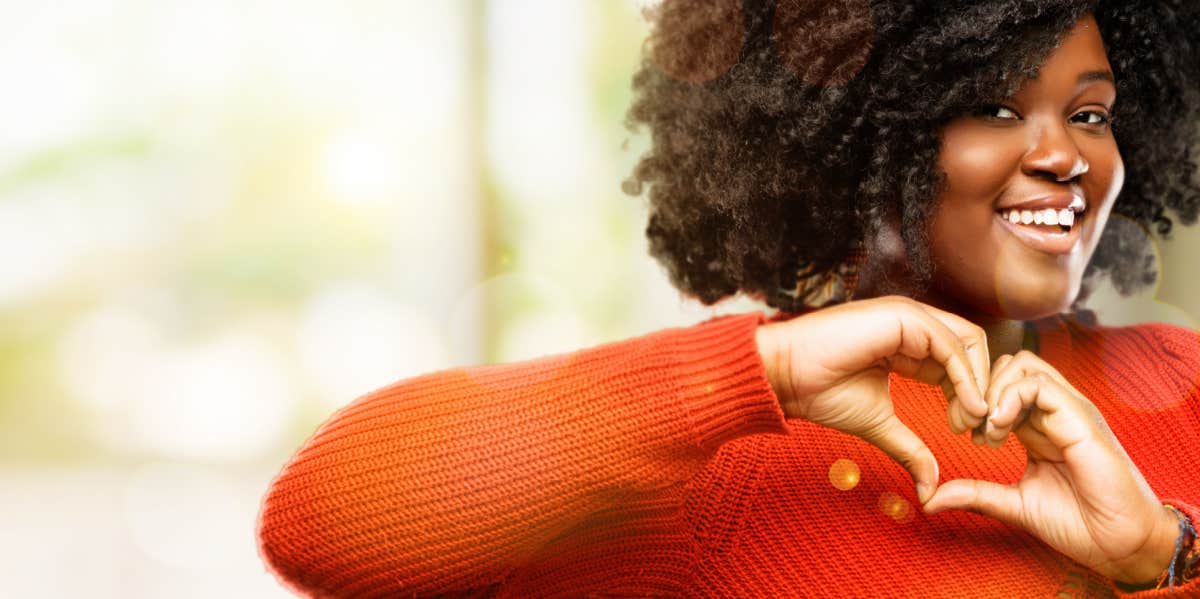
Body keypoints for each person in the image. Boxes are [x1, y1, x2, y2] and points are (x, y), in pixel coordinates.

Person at [256, 1, 1200, 596]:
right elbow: (320, 525)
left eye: (1090, 114)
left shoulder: (1182, 379)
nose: (1067, 157)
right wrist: (762, 368)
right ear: (851, 137)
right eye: (994, 108)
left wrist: (1159, 551)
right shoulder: (731, 457)